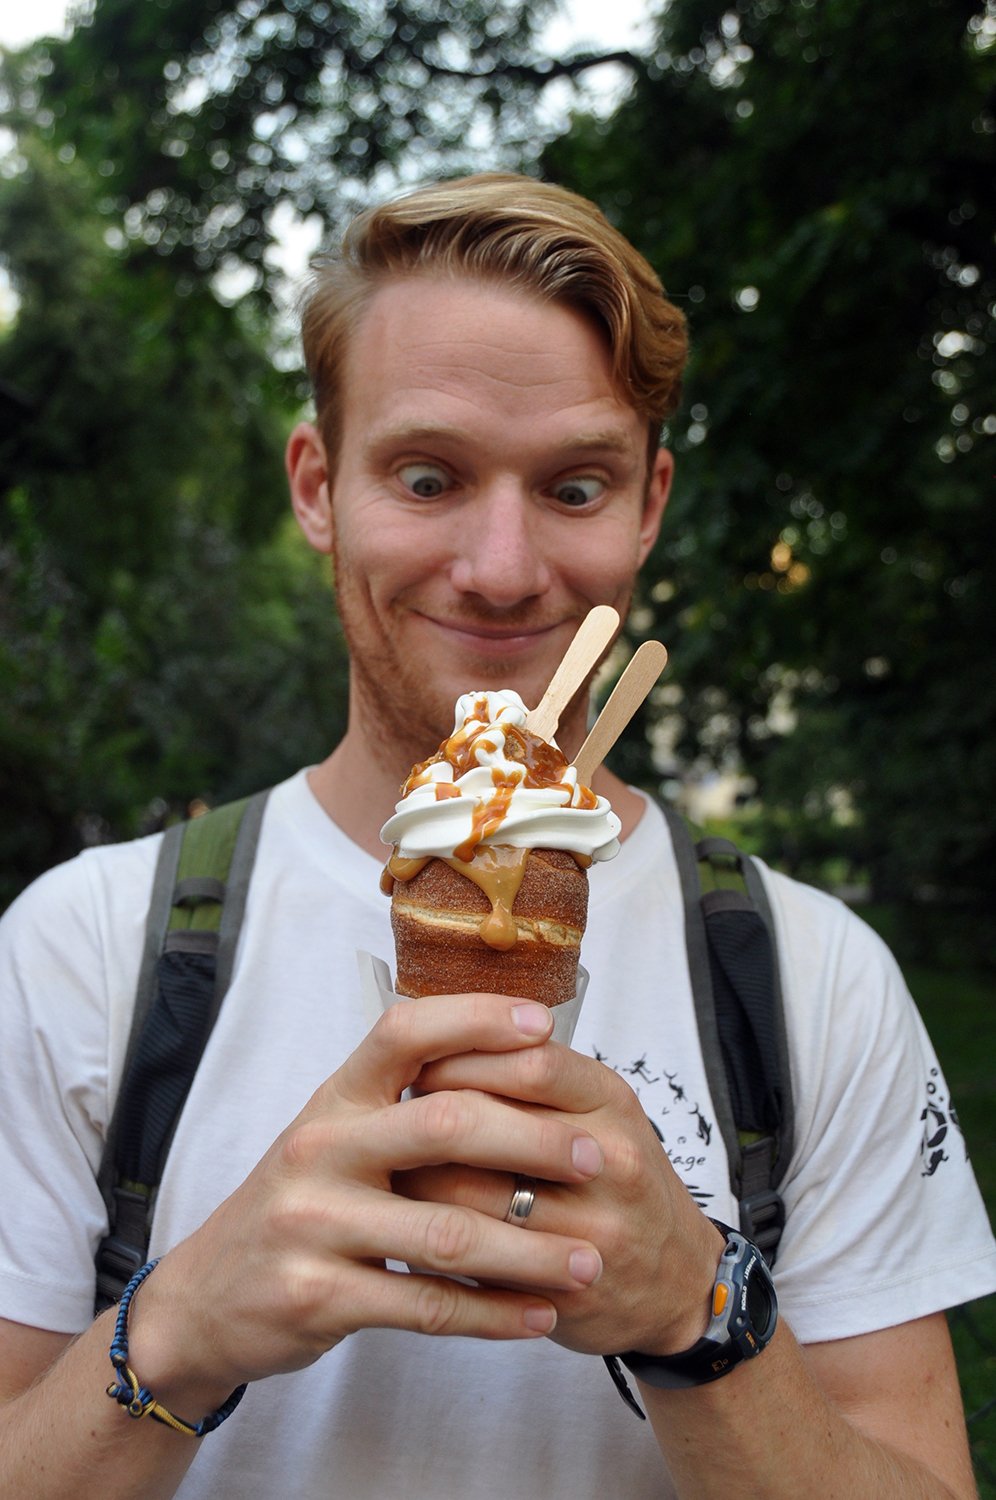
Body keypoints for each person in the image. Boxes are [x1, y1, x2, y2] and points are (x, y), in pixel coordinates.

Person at [0, 173, 993, 1500]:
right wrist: (174, 1331)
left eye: (577, 487)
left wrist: (709, 1320)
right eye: (428, 475)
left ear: (648, 506)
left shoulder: (810, 974)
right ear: (318, 488)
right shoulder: (85, 952)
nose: (506, 566)